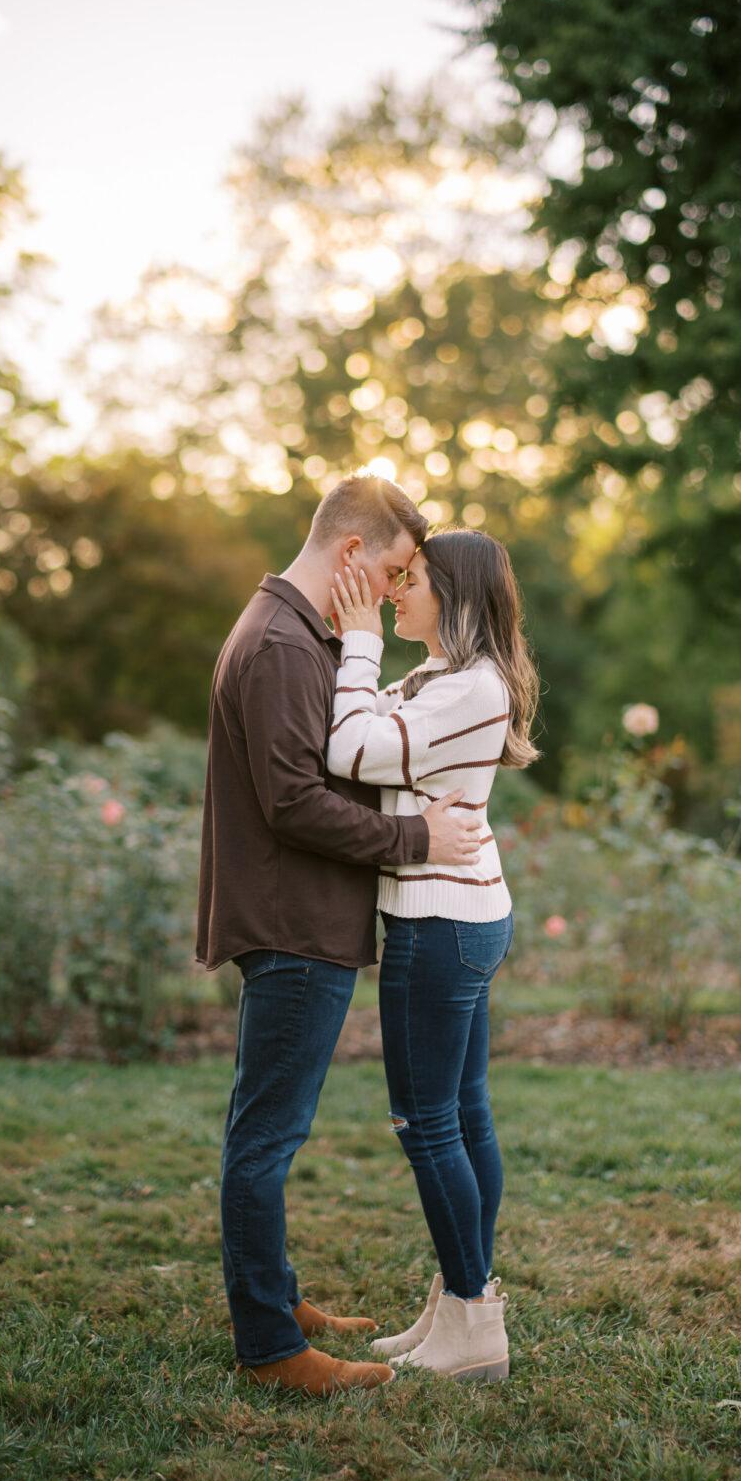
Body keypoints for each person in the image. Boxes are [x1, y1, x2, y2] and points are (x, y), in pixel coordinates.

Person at [195, 473, 485, 1397]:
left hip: (300, 915)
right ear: (353, 553)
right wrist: (417, 836)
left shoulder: (291, 629)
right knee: (267, 1139)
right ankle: (272, 1349)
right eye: (396, 567)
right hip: (294, 923)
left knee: (267, 1129)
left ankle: (274, 1299)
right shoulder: (285, 642)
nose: (399, 589)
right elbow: (293, 802)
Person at [326, 527, 540, 1383]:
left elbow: (348, 748)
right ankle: (460, 1304)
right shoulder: (445, 678)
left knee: (428, 1123)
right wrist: (375, 676)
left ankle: (474, 1322)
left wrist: (358, 643)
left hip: (438, 924)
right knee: (466, 1114)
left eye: (409, 580)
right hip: (464, 915)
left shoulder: (466, 688)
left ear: (452, 591)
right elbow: (373, 724)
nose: (392, 591)